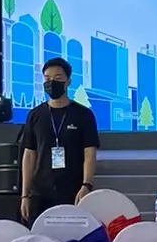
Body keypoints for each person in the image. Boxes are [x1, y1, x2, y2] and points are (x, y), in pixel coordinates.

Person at [18, 56, 98, 219]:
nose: (52, 82)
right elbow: (29, 155)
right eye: (47, 79)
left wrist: (87, 185)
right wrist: (25, 195)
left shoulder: (83, 115)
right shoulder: (35, 115)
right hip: (41, 192)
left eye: (58, 78)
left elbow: (89, 153)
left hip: (73, 190)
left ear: (68, 82)